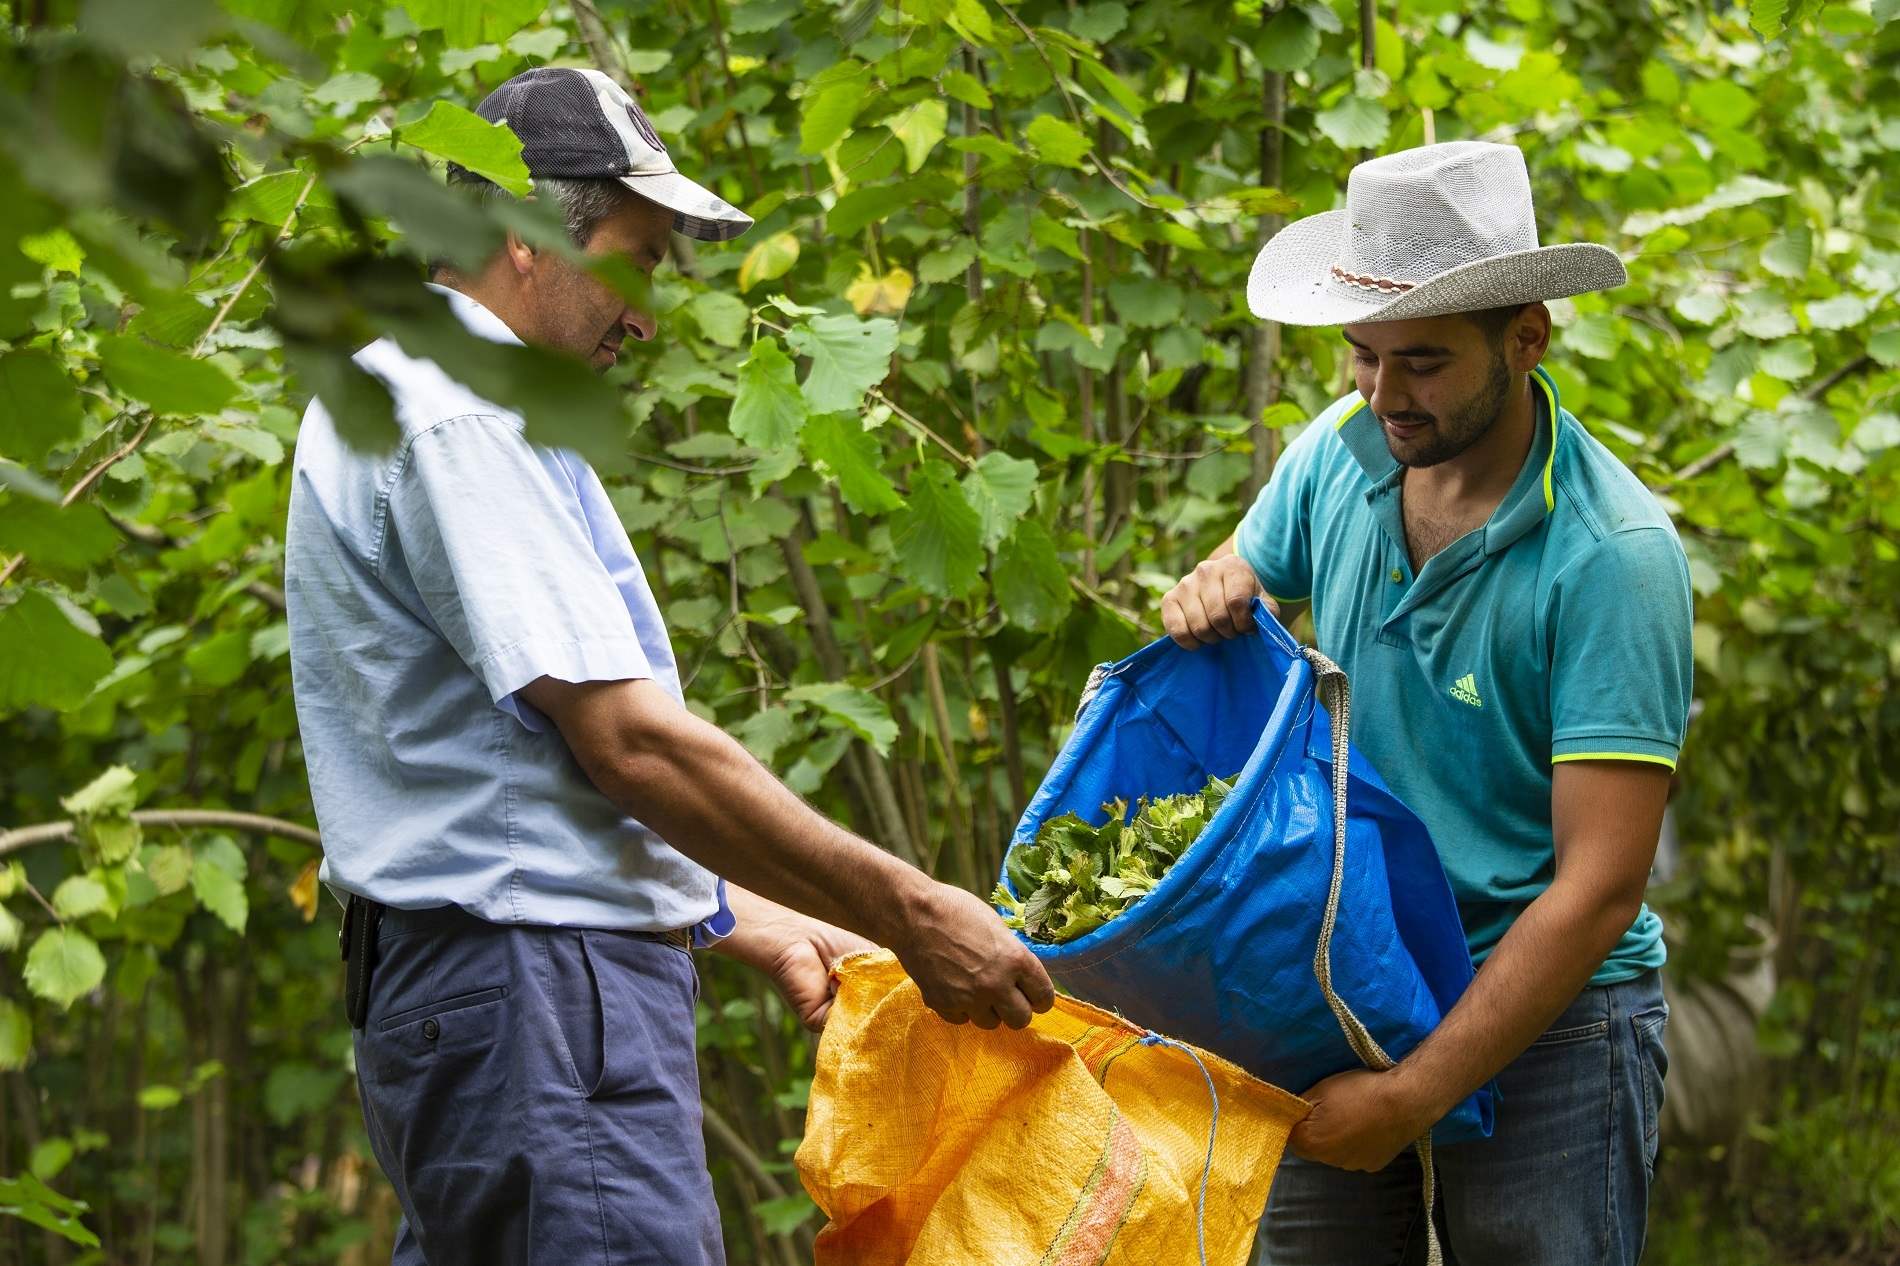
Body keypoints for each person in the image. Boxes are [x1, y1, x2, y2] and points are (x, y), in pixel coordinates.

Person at [284, 67, 1053, 1265]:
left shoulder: (415, 390)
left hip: (489, 1002)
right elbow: (630, 746)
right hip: (539, 1007)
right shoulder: (463, 415)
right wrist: (910, 911)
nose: (644, 318)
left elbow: (505, 791)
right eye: (638, 263)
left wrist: (750, 919)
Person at [1162, 141, 1690, 1264]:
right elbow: (1241, 573)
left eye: (1423, 362)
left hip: (1552, 1019)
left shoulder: (1613, 557)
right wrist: (1212, 588)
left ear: (1526, 337)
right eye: (1362, 355)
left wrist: (1411, 1097)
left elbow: (1599, 889)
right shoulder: (1339, 453)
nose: (1383, 394)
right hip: (1344, 987)